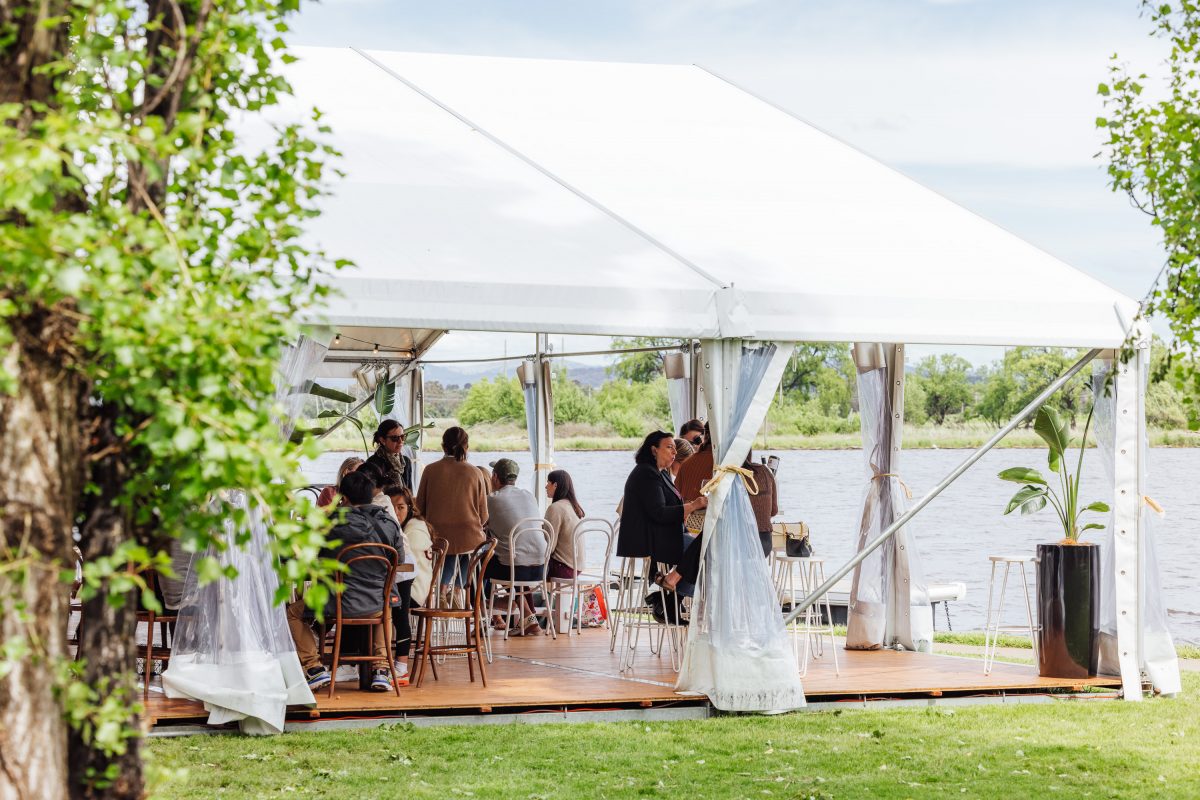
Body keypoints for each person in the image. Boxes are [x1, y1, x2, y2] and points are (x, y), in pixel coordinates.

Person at [286, 471, 403, 693]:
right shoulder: (388, 522)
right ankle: (381, 669)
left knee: (292, 612)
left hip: (337, 602)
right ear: (372, 495)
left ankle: (313, 667)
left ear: (343, 497)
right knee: (385, 603)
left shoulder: (331, 525)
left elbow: (313, 556)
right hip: (375, 603)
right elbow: (399, 559)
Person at [617, 431, 707, 570]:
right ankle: (674, 585)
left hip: (662, 534)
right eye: (670, 447)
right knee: (703, 551)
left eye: (675, 448)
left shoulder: (660, 472)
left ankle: (673, 584)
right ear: (654, 450)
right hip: (649, 539)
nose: (674, 452)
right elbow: (659, 512)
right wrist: (694, 505)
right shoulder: (647, 473)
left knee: (701, 545)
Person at [415, 426, 488, 589]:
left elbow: (420, 507)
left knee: (450, 550)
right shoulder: (475, 472)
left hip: (438, 537)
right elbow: (484, 516)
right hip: (469, 536)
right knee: (478, 547)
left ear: (443, 446)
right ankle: (457, 587)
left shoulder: (430, 470)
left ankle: (441, 587)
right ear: (466, 447)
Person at [484, 458, 545, 633]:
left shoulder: (492, 499)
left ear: (495, 477)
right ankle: (529, 618)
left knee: (477, 568)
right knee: (513, 560)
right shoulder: (529, 495)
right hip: (540, 567)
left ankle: (482, 614)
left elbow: (481, 524)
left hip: (515, 569)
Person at [384, 486, 432, 681]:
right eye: (392, 507)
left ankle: (401, 664)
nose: (396, 512)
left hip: (414, 589)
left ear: (410, 507)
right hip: (410, 583)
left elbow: (403, 564)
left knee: (385, 604)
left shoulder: (413, 530)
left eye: (401, 507)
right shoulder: (407, 527)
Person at [544, 469, 585, 579]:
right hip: (577, 567)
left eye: (548, 483)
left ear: (555, 485)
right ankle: (527, 596)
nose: (545, 487)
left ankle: (523, 596)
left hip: (563, 567)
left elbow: (549, 547)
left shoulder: (555, 508)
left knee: (523, 567)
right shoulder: (574, 507)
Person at [745, 450, 779, 558]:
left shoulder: (730, 474)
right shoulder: (766, 471)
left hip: (741, 540)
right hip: (765, 542)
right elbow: (774, 511)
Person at [365, 419, 414, 490]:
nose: (400, 441)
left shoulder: (406, 461)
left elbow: (409, 492)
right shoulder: (373, 463)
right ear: (382, 440)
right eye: (395, 438)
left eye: (402, 437)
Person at [675, 422, 714, 501]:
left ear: (705, 436)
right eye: (688, 444)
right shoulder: (684, 466)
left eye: (697, 440)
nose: (694, 446)